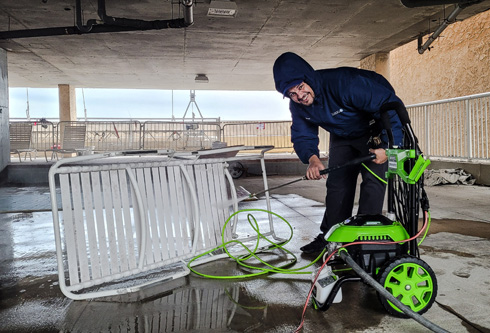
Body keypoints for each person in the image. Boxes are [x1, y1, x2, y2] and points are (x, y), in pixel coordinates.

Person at [272, 52, 405, 254]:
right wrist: (313, 159)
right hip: (343, 135)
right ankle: (330, 238)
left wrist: (389, 147)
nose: (299, 96)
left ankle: (362, 241)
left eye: (300, 87)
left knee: (372, 182)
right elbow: (302, 134)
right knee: (337, 184)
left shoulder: (345, 84)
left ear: (308, 79)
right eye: (291, 93)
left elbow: (390, 106)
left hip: (374, 129)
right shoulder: (298, 105)